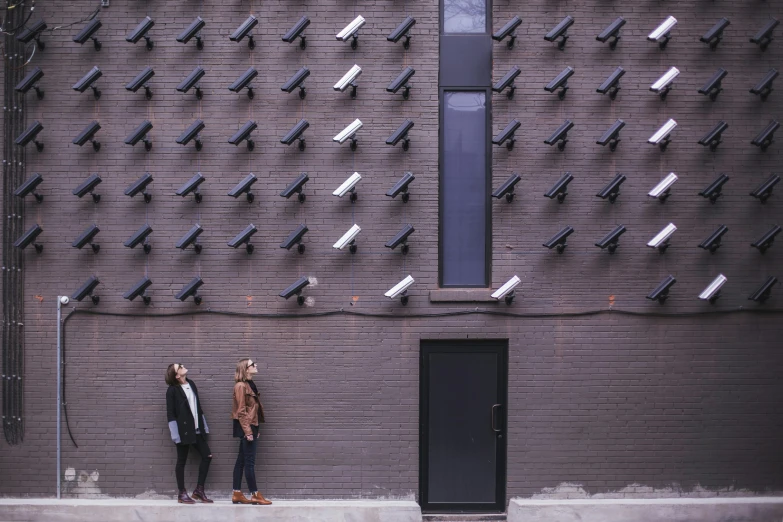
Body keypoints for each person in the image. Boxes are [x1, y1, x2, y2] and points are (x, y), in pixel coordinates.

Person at [165, 363, 213, 504]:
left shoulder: (191, 384)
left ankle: (199, 490)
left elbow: (198, 407)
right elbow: (170, 414)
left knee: (207, 456)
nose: (183, 366)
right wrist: (176, 436)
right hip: (183, 432)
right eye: (179, 366)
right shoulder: (172, 391)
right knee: (181, 461)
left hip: (197, 430)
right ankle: (182, 493)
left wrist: (204, 426)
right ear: (176, 375)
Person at [231, 358, 271, 505]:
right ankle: (255, 494)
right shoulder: (241, 386)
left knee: (241, 460)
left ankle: (236, 493)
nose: (256, 365)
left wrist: (255, 428)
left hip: (250, 426)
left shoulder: (249, 384)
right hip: (245, 427)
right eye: (253, 364)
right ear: (245, 369)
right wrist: (248, 431)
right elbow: (241, 411)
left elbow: (253, 410)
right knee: (249, 462)